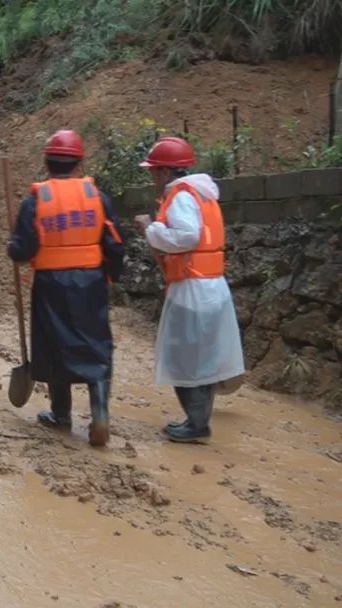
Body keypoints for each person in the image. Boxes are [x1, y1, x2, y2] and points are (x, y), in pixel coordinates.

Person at [7, 130, 125, 447]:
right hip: (91, 284)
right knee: (96, 345)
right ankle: (100, 412)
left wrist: (12, 248)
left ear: (47, 163)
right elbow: (115, 243)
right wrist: (111, 277)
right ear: (79, 162)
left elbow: (23, 248)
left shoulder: (37, 200)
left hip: (51, 286)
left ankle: (61, 414)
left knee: (56, 344)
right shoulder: (97, 197)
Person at [134, 136, 244, 443]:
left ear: (166, 172)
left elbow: (187, 236)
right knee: (202, 359)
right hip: (212, 286)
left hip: (192, 288)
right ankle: (198, 420)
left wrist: (152, 230)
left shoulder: (181, 196)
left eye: (154, 171)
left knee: (183, 359)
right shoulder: (203, 194)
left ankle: (196, 425)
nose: (152, 177)